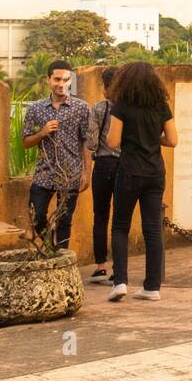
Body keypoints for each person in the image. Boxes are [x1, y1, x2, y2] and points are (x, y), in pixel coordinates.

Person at [105, 61, 177, 301]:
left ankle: (120, 282)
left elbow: (112, 142)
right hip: (155, 173)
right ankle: (152, 286)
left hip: (129, 171)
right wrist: (152, 139)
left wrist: (130, 137)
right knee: (153, 230)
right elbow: (173, 140)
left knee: (120, 227)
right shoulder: (161, 106)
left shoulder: (122, 106)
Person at [21, 60, 92, 250]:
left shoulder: (82, 108)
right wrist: (42, 133)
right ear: (48, 80)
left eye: (66, 80)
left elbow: (87, 142)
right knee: (36, 216)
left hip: (71, 174)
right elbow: (26, 142)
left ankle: (60, 258)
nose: (61, 84)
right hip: (44, 173)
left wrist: (87, 173)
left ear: (71, 81)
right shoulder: (35, 108)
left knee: (65, 220)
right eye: (57, 79)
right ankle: (49, 246)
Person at [83, 66, 120, 285]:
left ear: (105, 87)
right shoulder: (129, 110)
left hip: (103, 165)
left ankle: (100, 267)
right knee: (120, 219)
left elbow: (91, 143)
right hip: (124, 166)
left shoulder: (99, 109)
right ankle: (119, 268)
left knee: (101, 216)